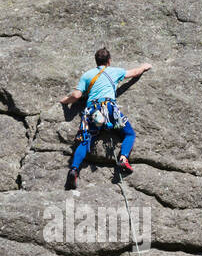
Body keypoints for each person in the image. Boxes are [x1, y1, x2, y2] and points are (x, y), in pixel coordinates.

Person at [59, 48, 151, 189]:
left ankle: (74, 169)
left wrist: (65, 101)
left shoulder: (87, 75)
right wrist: (144, 67)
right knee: (129, 133)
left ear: (96, 61)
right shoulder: (115, 71)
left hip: (92, 112)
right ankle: (123, 159)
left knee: (85, 141)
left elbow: (77, 96)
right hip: (109, 109)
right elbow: (133, 73)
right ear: (109, 61)